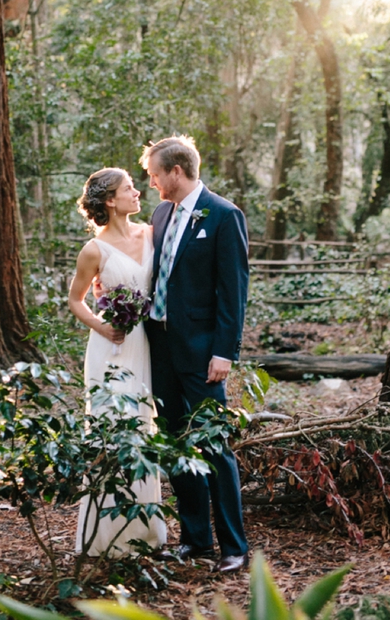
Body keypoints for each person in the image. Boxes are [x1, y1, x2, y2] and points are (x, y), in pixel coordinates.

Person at [141, 135, 250, 574]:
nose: (151, 183)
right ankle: (195, 540)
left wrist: (225, 351)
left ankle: (233, 546)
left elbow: (233, 292)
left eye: (154, 175)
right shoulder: (161, 213)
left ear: (177, 172)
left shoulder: (224, 216)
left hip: (205, 352)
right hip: (161, 347)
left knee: (213, 443)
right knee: (173, 441)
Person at [68, 167, 166, 557]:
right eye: (129, 188)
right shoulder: (94, 250)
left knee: (143, 426)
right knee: (111, 427)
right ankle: (106, 535)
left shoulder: (151, 233)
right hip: (111, 345)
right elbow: (76, 300)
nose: (137, 191)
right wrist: (103, 327)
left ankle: (145, 532)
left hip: (147, 342)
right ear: (110, 200)